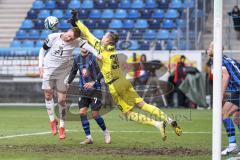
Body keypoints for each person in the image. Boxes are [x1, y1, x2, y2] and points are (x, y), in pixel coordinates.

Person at [69, 10, 182, 141]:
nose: (102, 37)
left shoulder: (100, 48)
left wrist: (96, 80)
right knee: (143, 104)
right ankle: (169, 120)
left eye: (105, 36)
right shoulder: (112, 51)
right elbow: (87, 33)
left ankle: (157, 124)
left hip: (115, 85)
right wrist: (76, 22)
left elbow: (88, 33)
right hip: (124, 80)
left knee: (128, 113)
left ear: (107, 41)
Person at [38, 27, 97, 139]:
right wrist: (40, 66)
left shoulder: (76, 41)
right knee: (48, 95)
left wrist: (97, 54)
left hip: (63, 72)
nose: (69, 38)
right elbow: (42, 50)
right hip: (48, 70)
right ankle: (52, 122)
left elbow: (87, 46)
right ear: (66, 31)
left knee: (61, 100)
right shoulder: (53, 37)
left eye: (72, 37)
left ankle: (62, 127)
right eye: (68, 35)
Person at [67, 47, 111, 144]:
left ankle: (106, 132)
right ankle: (89, 138)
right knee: (82, 112)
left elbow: (102, 71)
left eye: (86, 45)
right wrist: (68, 83)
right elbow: (73, 72)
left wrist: (94, 82)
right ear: (79, 46)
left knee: (95, 115)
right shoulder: (76, 59)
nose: (84, 47)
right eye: (82, 45)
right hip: (83, 90)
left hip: (96, 90)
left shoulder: (94, 57)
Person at [207, 42, 240, 155]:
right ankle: (233, 146)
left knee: (223, 114)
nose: (207, 49)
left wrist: (219, 95)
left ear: (215, 49)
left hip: (238, 90)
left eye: (209, 47)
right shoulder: (228, 59)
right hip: (237, 90)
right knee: (237, 119)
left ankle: (232, 145)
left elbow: (225, 77)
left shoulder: (218, 60)